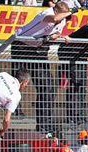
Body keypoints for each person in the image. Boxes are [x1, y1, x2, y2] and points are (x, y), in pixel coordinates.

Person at [12, 0, 73, 133]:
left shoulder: (62, 20)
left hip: (38, 49)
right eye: (63, 14)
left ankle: (44, 123)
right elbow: (54, 19)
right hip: (22, 46)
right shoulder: (47, 13)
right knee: (17, 82)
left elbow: (55, 32)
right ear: (56, 11)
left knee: (48, 87)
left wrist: (61, 36)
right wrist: (69, 13)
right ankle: (14, 111)